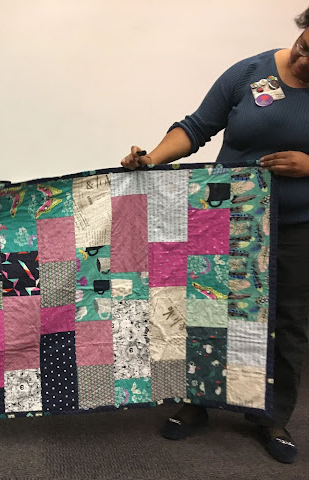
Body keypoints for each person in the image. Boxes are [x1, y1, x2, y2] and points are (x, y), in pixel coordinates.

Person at [121, 7, 309, 464]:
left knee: (288, 323)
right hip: (224, 219)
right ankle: (197, 402)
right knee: (207, 309)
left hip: (296, 226)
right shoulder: (250, 71)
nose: (303, 62)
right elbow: (196, 127)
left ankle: (272, 417)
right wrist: (151, 160)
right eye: (305, 47)